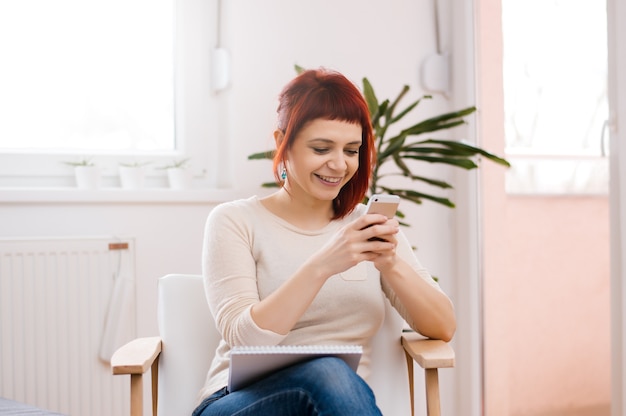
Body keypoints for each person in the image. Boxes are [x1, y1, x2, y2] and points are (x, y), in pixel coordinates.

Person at [192, 68, 456, 416]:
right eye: (321, 148)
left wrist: (390, 264)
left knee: (332, 376)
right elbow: (245, 338)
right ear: (281, 143)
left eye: (351, 150)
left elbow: (443, 326)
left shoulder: (367, 226)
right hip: (238, 402)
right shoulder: (235, 221)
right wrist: (323, 265)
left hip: (336, 405)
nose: (338, 164)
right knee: (329, 371)